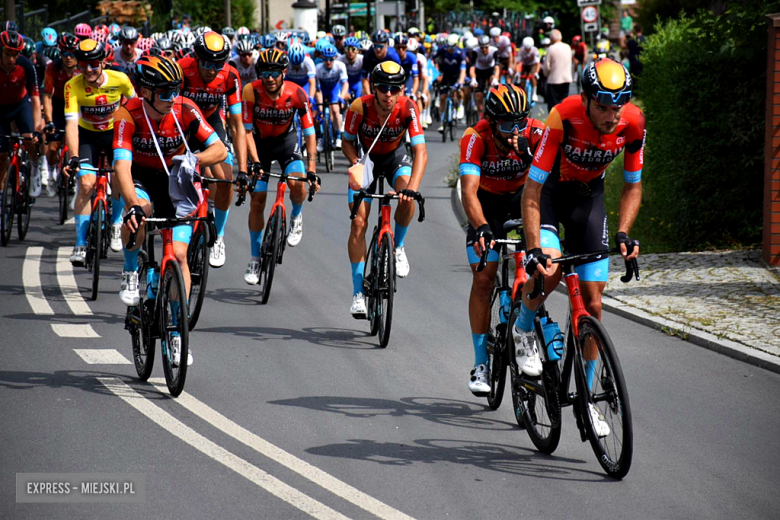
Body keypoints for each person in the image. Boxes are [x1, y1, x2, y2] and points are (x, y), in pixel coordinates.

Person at [516, 59, 645, 434]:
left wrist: (623, 233)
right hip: (551, 197)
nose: (610, 114)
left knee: (593, 303)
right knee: (551, 268)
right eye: (603, 106)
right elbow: (533, 189)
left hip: (589, 200)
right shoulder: (563, 116)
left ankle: (587, 399)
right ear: (587, 99)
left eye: (616, 106)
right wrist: (535, 246)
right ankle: (524, 328)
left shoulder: (633, 122)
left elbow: (633, 185)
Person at [114, 54, 227, 366]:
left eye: (175, 89)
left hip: (175, 179)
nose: (171, 97)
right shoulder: (128, 115)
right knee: (138, 215)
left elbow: (219, 149)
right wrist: (133, 205)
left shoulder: (185, 109)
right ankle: (128, 270)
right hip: (141, 179)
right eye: (164, 92)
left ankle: (176, 331)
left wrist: (195, 161)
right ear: (146, 92)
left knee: (178, 256)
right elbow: (121, 165)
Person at [459, 84, 544, 394]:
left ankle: (530, 325)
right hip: (488, 204)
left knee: (539, 264)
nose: (515, 131)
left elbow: (555, 173)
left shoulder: (534, 133)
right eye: (507, 124)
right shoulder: (475, 137)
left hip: (524, 199)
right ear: (492, 122)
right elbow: (468, 191)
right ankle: (481, 363)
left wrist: (530, 153)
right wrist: (480, 226)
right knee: (484, 278)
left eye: (520, 122)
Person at [342, 61, 427, 316]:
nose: (388, 93)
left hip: (394, 158)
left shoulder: (408, 107)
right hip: (366, 159)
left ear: (401, 89)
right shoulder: (359, 107)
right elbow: (346, 142)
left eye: (394, 88)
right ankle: (358, 293)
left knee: (406, 198)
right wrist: (356, 163)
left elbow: (420, 150)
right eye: (382, 87)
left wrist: (411, 188)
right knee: (359, 222)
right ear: (374, 88)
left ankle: (398, 247)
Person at [241, 49, 320, 284]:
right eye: (265, 72)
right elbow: (245, 131)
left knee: (297, 183)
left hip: (287, 142)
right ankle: (255, 258)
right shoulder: (251, 91)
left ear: (284, 72)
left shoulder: (297, 93)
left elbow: (310, 132)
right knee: (257, 200)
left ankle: (296, 216)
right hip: (260, 145)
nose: (270, 77)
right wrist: (254, 163)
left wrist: (312, 169)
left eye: (275, 72)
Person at [179, 31, 248, 268]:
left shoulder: (230, 75)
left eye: (218, 64)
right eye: (207, 63)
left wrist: (244, 169)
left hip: (211, 124)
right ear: (196, 57)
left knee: (225, 180)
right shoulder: (182, 70)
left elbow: (238, 126)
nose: (212, 69)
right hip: (183, 124)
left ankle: (218, 235)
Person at [63, 39, 136, 264]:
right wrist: (73, 156)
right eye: (83, 64)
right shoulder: (72, 86)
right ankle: (80, 243)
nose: (88, 69)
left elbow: (136, 108)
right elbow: (72, 124)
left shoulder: (121, 79)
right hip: (88, 136)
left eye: (93, 63)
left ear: (103, 62)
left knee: (119, 179)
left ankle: (115, 223)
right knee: (86, 184)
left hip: (115, 134)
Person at [0, 30, 42, 198]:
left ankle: (34, 167)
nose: (11, 59)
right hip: (0, 110)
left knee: (29, 139)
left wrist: (37, 128)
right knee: (1, 156)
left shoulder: (26, 65)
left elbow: (36, 99)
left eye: (15, 54)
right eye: (7, 54)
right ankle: (2, 196)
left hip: (20, 105)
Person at [41, 33, 80, 197]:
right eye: (65, 53)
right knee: (53, 147)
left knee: (77, 148)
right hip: (58, 106)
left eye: (72, 53)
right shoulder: (52, 68)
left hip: (78, 107)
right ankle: (50, 173)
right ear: (60, 53)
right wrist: (49, 121)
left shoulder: (83, 69)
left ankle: (77, 181)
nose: (69, 57)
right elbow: (47, 96)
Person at [315, 45, 348, 150]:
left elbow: (345, 84)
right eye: (325, 59)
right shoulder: (318, 68)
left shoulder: (340, 66)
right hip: (322, 91)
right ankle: (320, 138)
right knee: (317, 114)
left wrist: (341, 98)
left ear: (335, 58)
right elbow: (318, 90)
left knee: (335, 109)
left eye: (330, 59)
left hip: (334, 89)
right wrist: (320, 109)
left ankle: (338, 136)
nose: (328, 62)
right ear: (322, 58)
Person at [360, 30, 400, 96]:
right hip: (374, 82)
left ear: (386, 45)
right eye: (375, 46)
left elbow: (399, 78)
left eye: (381, 46)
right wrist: (369, 95)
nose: (378, 49)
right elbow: (364, 77)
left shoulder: (393, 56)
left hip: (390, 82)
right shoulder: (368, 55)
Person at [468, 35, 500, 115]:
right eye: (481, 48)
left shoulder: (494, 51)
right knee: (479, 95)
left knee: (493, 81)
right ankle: (480, 115)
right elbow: (472, 68)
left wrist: (496, 78)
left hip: (490, 70)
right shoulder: (475, 51)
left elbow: (497, 68)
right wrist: (473, 79)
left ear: (489, 45)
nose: (484, 49)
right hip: (479, 71)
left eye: (486, 47)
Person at [541, 29, 572, 109]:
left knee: (553, 106)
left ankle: (554, 121)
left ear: (551, 39)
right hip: (566, 79)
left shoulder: (551, 48)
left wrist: (546, 74)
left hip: (554, 80)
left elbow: (547, 66)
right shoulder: (567, 47)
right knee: (563, 104)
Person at [517, 36, 541, 102]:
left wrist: (536, 72)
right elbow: (518, 62)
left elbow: (538, 63)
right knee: (522, 79)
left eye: (529, 49)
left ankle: (534, 93)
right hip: (525, 65)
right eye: (526, 49)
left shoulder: (535, 50)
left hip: (532, 65)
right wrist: (517, 72)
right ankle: (522, 93)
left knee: (533, 76)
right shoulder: (521, 50)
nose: (527, 50)